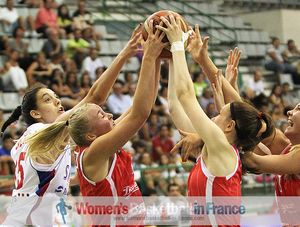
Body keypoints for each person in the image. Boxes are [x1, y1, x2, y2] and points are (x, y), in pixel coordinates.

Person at [24, 21, 166, 226]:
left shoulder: (94, 140)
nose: (109, 115)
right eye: (101, 115)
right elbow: (137, 113)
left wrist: (158, 58)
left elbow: (146, 102)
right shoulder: (93, 150)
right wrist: (149, 56)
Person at [157, 18, 274, 226]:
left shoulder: (222, 148)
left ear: (230, 126)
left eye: (221, 114)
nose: (214, 116)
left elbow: (186, 95)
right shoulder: (214, 148)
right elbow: (175, 106)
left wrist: (177, 45)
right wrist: (172, 59)